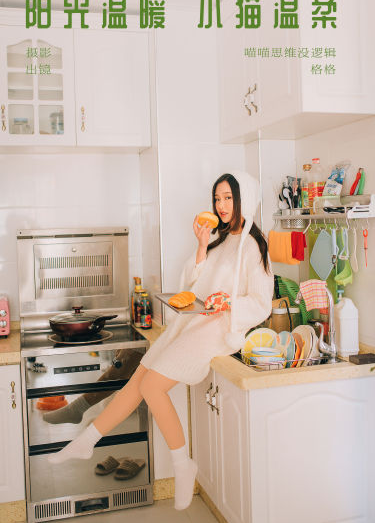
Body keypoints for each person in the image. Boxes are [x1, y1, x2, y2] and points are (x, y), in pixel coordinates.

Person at [47, 170, 274, 511]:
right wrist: (201, 244)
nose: (221, 205)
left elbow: (260, 303)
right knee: (139, 380)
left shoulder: (254, 246)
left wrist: (230, 303)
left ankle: (183, 466)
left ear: (245, 199)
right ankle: (88, 439)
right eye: (217, 198)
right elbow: (193, 287)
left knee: (152, 387)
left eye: (228, 197)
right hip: (193, 324)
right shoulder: (221, 239)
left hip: (218, 332)